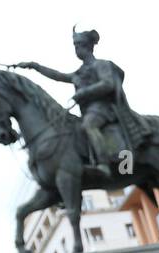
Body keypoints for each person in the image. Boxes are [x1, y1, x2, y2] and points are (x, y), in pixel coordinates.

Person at [14, 28, 148, 183]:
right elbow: (58, 76)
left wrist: (84, 93)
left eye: (79, 45)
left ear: (88, 46)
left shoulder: (101, 65)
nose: (76, 49)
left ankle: (104, 163)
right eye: (75, 46)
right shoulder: (79, 72)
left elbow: (108, 83)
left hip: (104, 108)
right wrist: (35, 66)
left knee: (88, 126)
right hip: (89, 111)